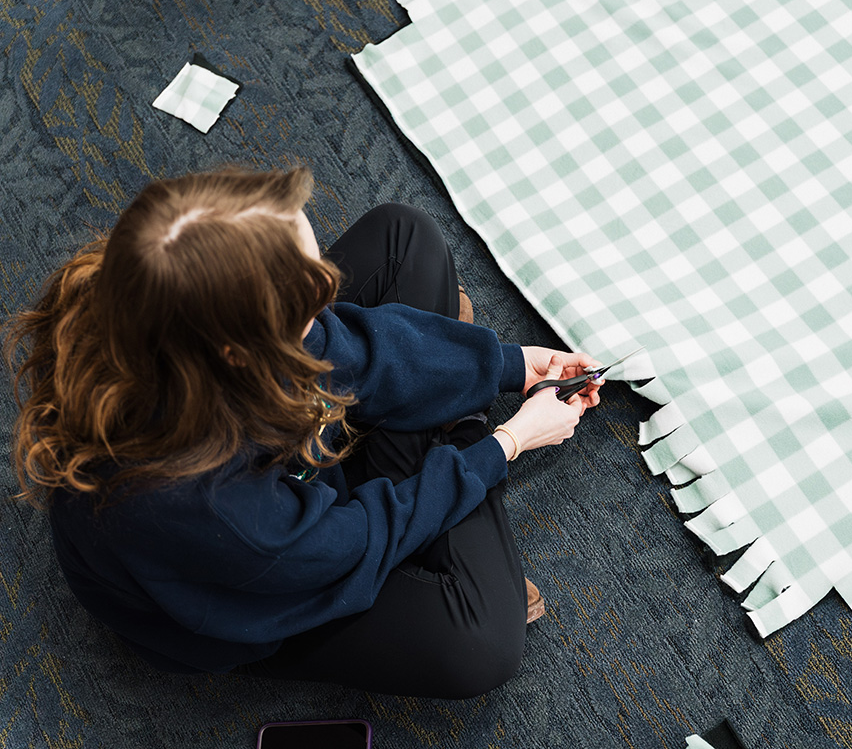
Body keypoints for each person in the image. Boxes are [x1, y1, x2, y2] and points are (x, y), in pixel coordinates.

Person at [5, 166, 603, 698]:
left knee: (404, 237)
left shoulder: (154, 300)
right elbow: (355, 537)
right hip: (251, 590)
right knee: (481, 646)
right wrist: (505, 442)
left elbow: (334, 344)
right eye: (309, 297)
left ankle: (437, 420)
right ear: (244, 353)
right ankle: (446, 433)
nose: (326, 284)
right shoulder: (208, 506)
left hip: (272, 458)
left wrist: (508, 365)